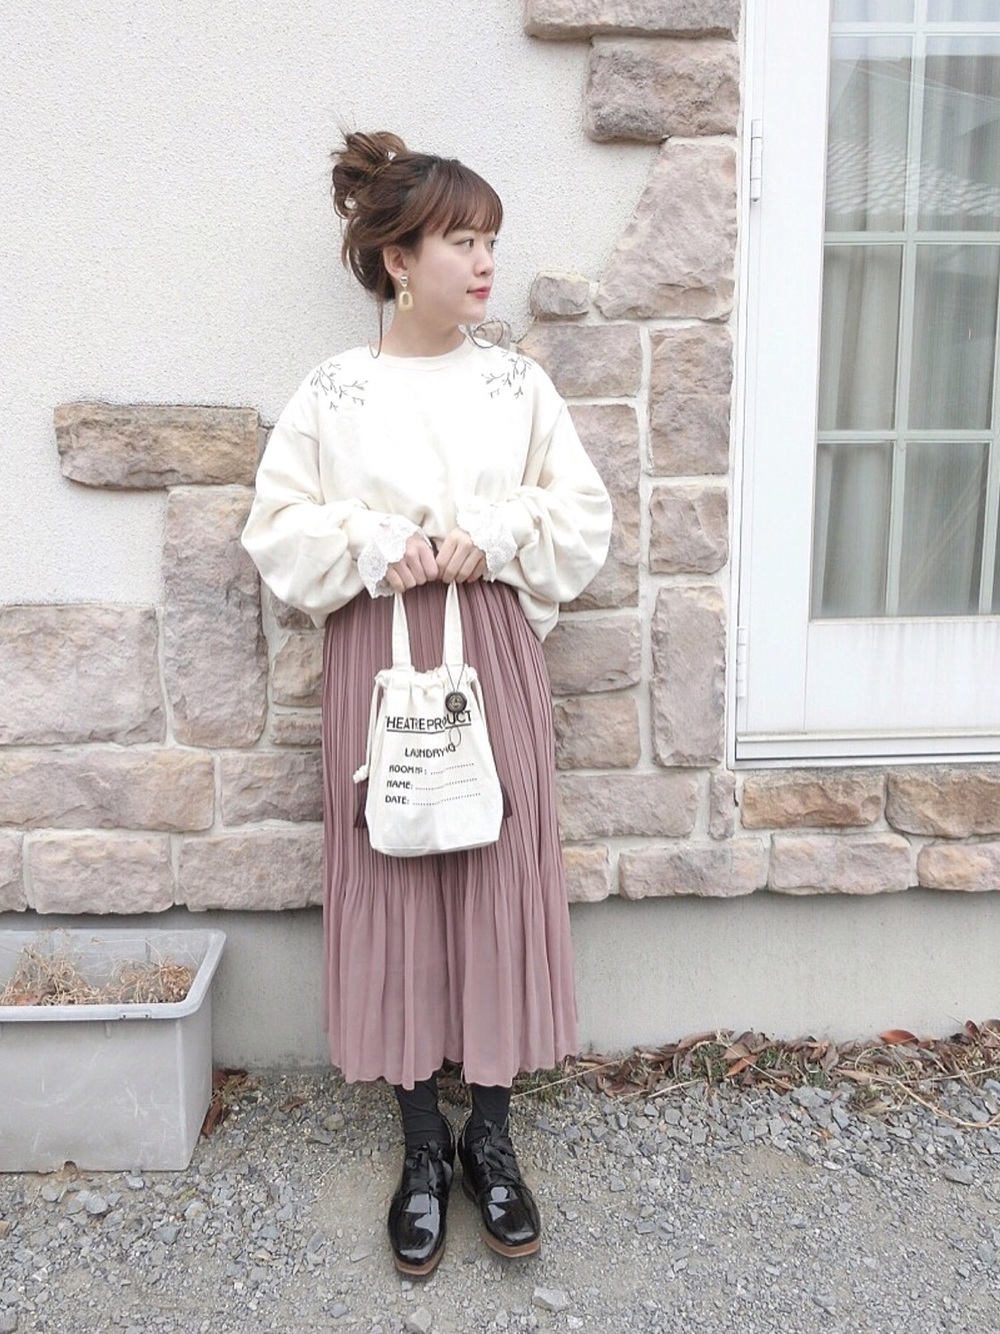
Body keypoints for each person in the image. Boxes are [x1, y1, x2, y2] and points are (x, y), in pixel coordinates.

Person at [242, 130, 612, 1276]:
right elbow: (277, 528)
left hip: (488, 647)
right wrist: (370, 543)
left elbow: (579, 515)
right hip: (379, 650)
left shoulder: (516, 385)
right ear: (398, 260)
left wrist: (492, 533)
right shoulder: (335, 393)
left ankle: (489, 1138)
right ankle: (419, 1145)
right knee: (395, 874)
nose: (486, 261)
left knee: (497, 873)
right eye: (462, 240)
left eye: (491, 238)